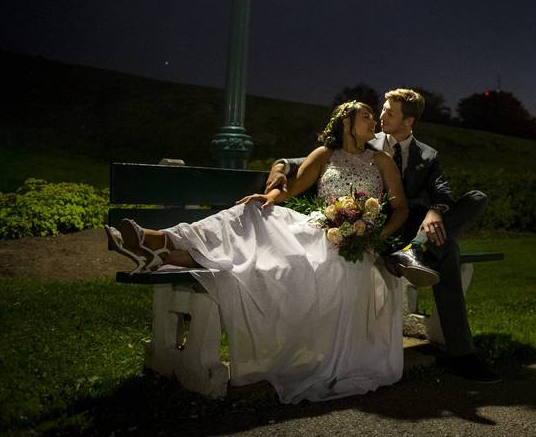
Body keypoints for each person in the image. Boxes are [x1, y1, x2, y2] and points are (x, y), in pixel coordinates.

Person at [104, 101, 410, 403]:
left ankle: (161, 250)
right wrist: (270, 194)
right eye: (367, 117)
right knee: (253, 211)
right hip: (320, 232)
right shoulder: (324, 155)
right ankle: (162, 241)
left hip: (355, 249)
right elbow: (290, 188)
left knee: (252, 261)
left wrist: (373, 236)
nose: (373, 123)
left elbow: (400, 209)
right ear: (347, 123)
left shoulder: (381, 161)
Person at [267, 88, 501, 383]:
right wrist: (280, 166)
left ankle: (417, 253)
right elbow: (308, 159)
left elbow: (443, 192)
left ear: (409, 121)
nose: (380, 116)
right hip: (374, 229)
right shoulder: (363, 138)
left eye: (390, 112)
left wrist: (436, 211)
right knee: (448, 251)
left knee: (474, 203)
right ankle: (462, 351)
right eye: (381, 111)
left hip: (415, 228)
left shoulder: (427, 156)